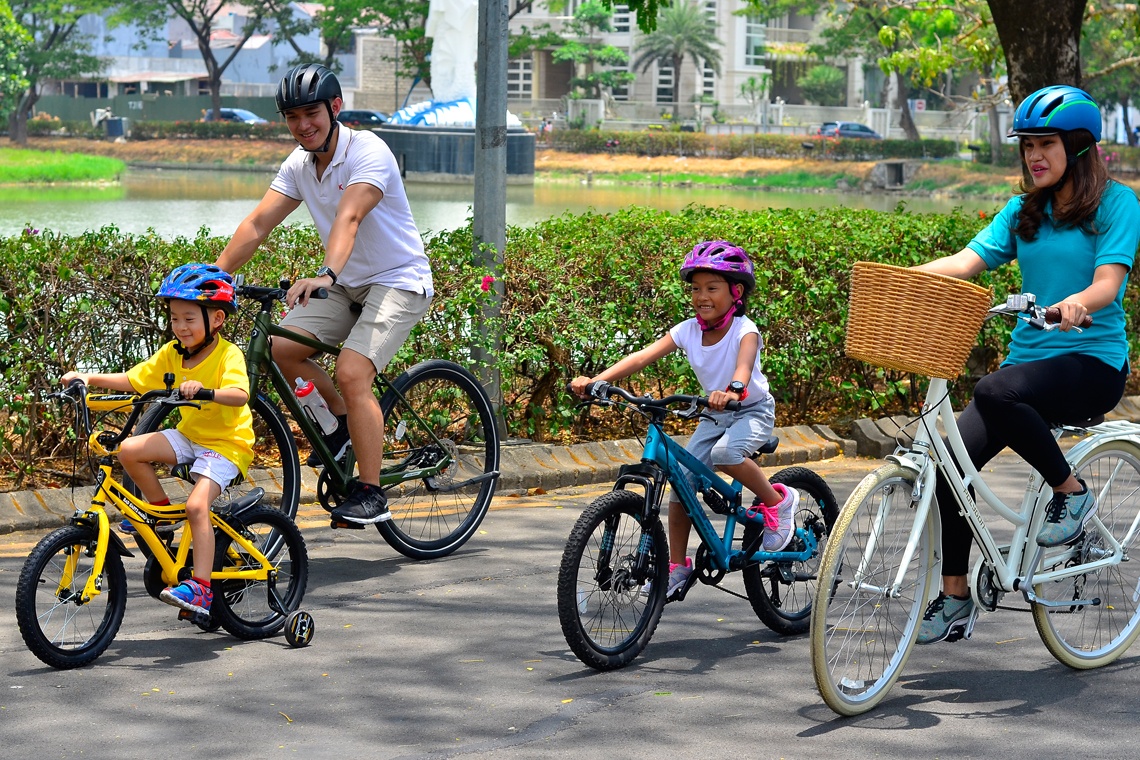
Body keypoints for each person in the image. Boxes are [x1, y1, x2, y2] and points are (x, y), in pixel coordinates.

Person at [913, 84, 1140, 644]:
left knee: (994, 390)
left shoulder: (1117, 204)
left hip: (1091, 362)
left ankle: (1071, 491)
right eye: (1027, 146)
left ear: (1079, 147)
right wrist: (904, 278)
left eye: (1045, 144)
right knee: (950, 463)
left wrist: (1075, 305)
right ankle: (956, 596)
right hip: (1031, 365)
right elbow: (966, 262)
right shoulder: (1024, 212)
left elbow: (1108, 283)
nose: (1033, 155)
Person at [214, 63, 434, 527]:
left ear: (335, 107)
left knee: (353, 372)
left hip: (397, 280)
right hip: (346, 284)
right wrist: (211, 277)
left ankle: (371, 492)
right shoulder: (299, 165)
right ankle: (340, 428)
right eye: (292, 117)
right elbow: (258, 224)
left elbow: (349, 217)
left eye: (311, 113)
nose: (302, 125)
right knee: (280, 349)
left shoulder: (368, 151)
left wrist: (326, 273)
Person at [570, 241, 798, 600]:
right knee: (682, 483)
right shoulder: (688, 330)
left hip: (751, 410)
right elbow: (642, 357)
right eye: (695, 288)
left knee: (726, 454)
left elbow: (743, 366)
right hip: (713, 413)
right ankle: (678, 565)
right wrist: (597, 381)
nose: (701, 296)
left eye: (712, 288)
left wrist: (733, 390)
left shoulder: (745, 330)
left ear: (736, 292)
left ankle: (777, 502)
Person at [62, 263, 255, 617]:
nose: (180, 327)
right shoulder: (172, 353)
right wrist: (87, 378)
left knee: (197, 507)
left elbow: (240, 395)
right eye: (174, 318)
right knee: (129, 450)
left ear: (216, 319)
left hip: (227, 444)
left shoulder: (228, 355)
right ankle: (162, 514)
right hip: (191, 436)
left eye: (189, 319)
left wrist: (206, 390)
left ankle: (202, 589)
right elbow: (134, 380)